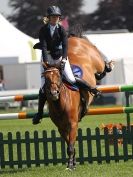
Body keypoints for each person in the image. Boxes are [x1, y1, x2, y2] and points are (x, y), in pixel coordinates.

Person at [32, 5, 105, 125]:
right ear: (49, 18)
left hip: (60, 57)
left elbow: (66, 46)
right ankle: (39, 114)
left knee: (70, 78)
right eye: (53, 17)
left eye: (57, 17)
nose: (55, 19)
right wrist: (46, 62)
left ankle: (92, 89)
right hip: (47, 57)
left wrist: (64, 59)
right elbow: (44, 47)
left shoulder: (61, 30)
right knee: (43, 86)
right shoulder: (43, 30)